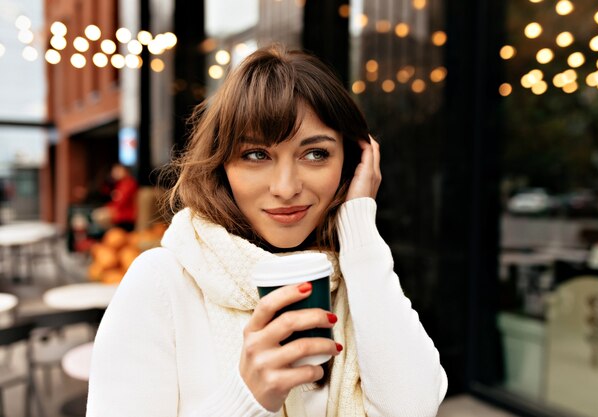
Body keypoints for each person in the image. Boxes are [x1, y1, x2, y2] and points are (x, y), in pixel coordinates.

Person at [87, 45, 447, 417]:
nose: (286, 187)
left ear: (352, 162)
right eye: (256, 155)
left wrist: (360, 230)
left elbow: (414, 408)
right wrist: (248, 396)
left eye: (316, 153)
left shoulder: (358, 278)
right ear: (221, 164)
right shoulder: (163, 282)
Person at [91, 163, 139, 231]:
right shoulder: (118, 183)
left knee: (98, 215)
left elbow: (121, 201)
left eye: (118, 171)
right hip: (118, 211)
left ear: (125, 171)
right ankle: (114, 233)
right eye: (114, 171)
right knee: (96, 214)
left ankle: (116, 233)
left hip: (125, 214)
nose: (115, 173)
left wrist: (111, 209)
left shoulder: (129, 183)